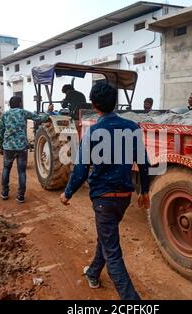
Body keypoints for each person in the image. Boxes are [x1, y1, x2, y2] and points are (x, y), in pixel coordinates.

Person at [59, 83, 150, 300]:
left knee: (113, 254)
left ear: (94, 104)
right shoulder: (132, 128)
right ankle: (92, 273)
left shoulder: (93, 132)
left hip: (103, 200)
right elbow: (144, 164)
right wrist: (143, 191)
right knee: (106, 235)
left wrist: (67, 193)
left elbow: (80, 170)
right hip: (124, 198)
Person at [0, 96, 48, 203]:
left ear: (10, 105)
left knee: (6, 169)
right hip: (21, 147)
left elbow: (0, 132)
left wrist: (1, 147)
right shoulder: (23, 112)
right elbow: (39, 118)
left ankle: (4, 192)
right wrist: (48, 112)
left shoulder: (5, 115)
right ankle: (20, 196)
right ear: (20, 103)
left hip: (8, 147)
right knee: (21, 171)